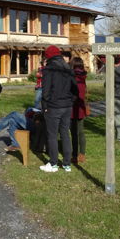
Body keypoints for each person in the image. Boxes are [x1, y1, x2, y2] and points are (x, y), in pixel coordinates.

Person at [40, 45, 78, 173]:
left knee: (52, 135)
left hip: (54, 106)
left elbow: (45, 91)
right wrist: (71, 100)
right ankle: (67, 164)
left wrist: (44, 106)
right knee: (65, 134)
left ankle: (53, 163)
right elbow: (75, 89)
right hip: (67, 106)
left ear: (48, 56)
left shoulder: (49, 69)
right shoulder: (67, 68)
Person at [70, 57, 89, 163]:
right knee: (81, 132)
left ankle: (74, 155)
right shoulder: (83, 76)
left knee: (74, 132)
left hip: (73, 107)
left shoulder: (72, 77)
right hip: (81, 106)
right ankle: (82, 154)